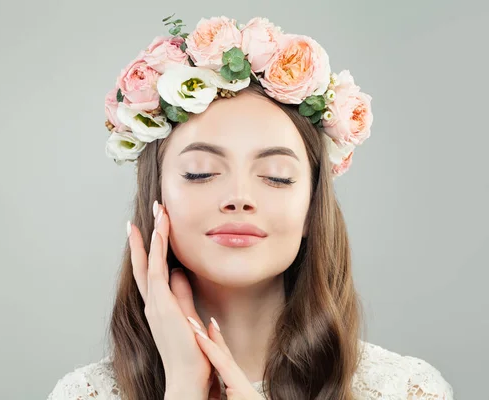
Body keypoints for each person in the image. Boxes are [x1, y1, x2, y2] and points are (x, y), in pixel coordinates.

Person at [47, 15, 454, 400]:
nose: (240, 197)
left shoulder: (408, 389)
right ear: (155, 197)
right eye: (201, 172)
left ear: (313, 208)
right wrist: (186, 387)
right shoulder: (86, 393)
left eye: (277, 176)